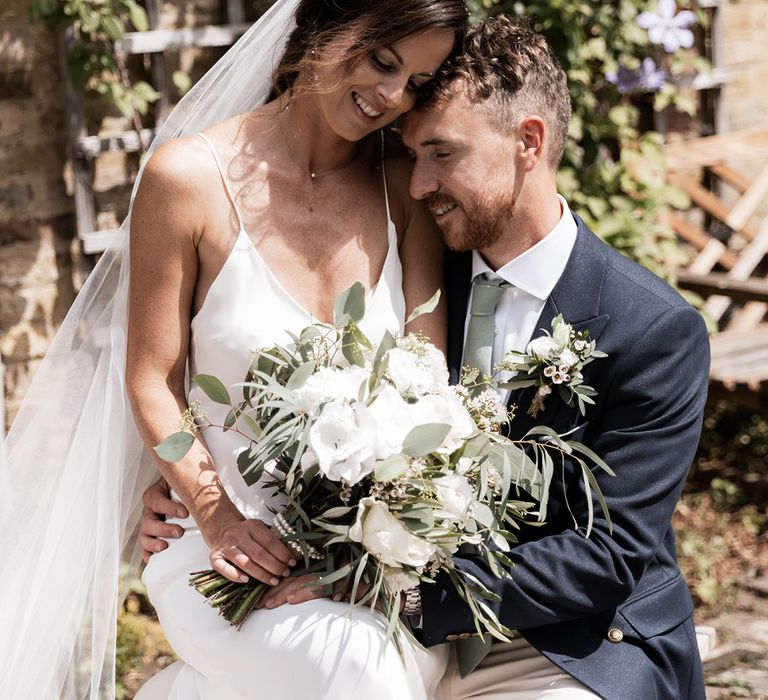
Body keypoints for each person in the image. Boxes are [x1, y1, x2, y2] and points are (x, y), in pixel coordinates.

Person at [141, 13, 710, 700]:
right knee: (357, 672)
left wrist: (397, 590)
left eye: (441, 152)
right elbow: (163, 378)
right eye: (414, 152)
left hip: (559, 638)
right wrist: (206, 496)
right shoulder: (435, 251)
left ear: (528, 142)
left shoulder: (650, 329)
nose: (418, 182)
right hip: (306, 568)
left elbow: (607, 556)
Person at [0, 1, 468, 698]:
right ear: (324, 28)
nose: (393, 96)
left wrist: (380, 543)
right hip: (218, 544)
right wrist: (213, 509)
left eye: (419, 83)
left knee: (382, 661)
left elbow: (427, 379)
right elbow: (152, 380)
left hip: (372, 555)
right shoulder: (186, 180)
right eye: (382, 60)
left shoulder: (403, 185)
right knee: (356, 668)